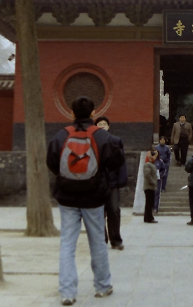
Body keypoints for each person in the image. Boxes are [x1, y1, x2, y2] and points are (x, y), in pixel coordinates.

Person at [46, 96, 125, 305]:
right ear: (93, 114)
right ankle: (102, 286)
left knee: (67, 244)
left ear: (72, 113)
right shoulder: (101, 136)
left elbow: (52, 161)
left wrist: (67, 179)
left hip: (67, 197)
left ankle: (67, 292)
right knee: (97, 241)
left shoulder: (61, 135)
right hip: (94, 197)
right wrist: (100, 174)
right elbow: (117, 160)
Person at [95, 116, 127, 251]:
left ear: (109, 126)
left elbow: (121, 162)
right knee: (98, 213)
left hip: (112, 183)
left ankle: (116, 240)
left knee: (114, 210)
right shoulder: (92, 142)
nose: (102, 126)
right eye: (99, 124)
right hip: (96, 184)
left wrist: (121, 180)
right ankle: (102, 240)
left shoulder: (115, 141)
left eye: (104, 124)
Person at [143, 149, 159, 224]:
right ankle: (148, 217)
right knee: (149, 202)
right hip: (149, 186)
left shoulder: (151, 165)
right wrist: (153, 182)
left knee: (150, 202)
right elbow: (147, 175)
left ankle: (148, 217)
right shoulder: (147, 165)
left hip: (151, 187)